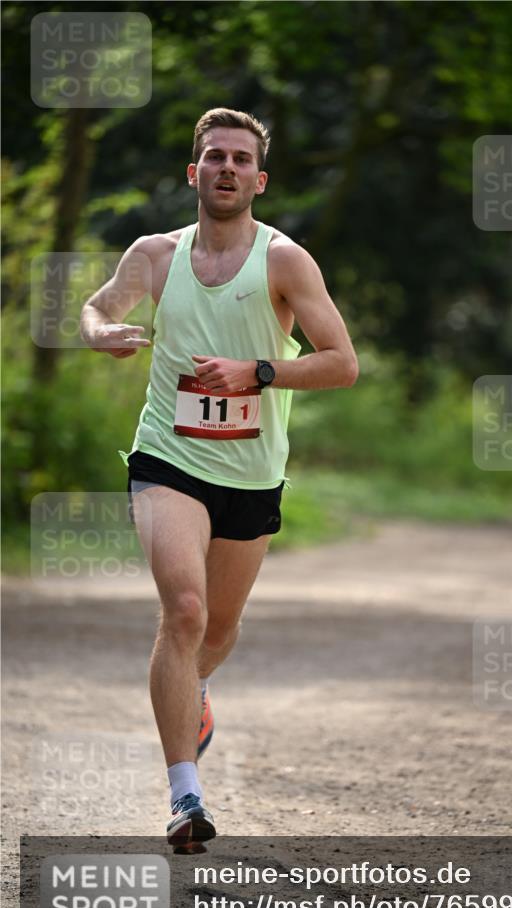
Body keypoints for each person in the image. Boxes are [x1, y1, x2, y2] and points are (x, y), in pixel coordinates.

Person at [80, 108, 358, 845]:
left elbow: (341, 362)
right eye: (214, 157)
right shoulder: (155, 256)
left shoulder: (285, 262)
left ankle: (193, 688)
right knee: (186, 611)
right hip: (168, 458)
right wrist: (100, 332)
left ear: (258, 180)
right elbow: (96, 306)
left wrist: (258, 372)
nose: (226, 168)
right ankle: (185, 797)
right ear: (192, 172)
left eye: (240, 159)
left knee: (219, 628)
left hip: (252, 472)